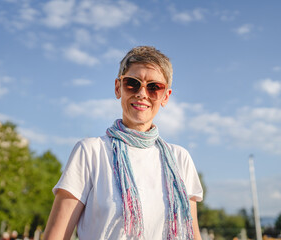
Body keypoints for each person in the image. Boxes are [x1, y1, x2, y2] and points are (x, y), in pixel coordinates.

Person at [43, 46, 203, 240]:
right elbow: (56, 236)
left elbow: (193, 235)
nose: (142, 93)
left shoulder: (180, 159)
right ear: (118, 88)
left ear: (165, 96)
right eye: (132, 84)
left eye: (154, 87)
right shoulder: (90, 152)